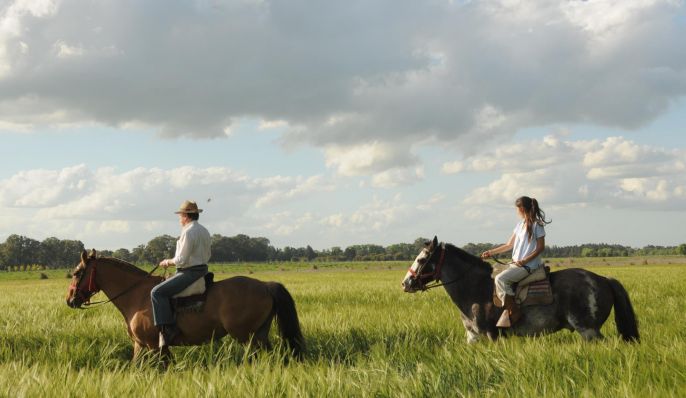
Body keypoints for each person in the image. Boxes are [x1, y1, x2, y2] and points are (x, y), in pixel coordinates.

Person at [481, 196, 550, 328]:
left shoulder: (537, 225)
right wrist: (491, 252)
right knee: (492, 275)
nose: (516, 212)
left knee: (500, 279)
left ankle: (514, 311)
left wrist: (525, 260)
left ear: (522, 209)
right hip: (516, 264)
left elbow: (540, 247)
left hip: (528, 266)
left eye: (516, 209)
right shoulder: (519, 225)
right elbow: (508, 245)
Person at [151, 200, 211, 348]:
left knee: (157, 292)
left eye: (180, 215)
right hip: (202, 269)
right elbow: (208, 254)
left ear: (186, 215)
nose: (179, 219)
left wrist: (167, 261)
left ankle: (167, 331)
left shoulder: (189, 232)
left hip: (189, 272)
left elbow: (181, 260)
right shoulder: (204, 230)